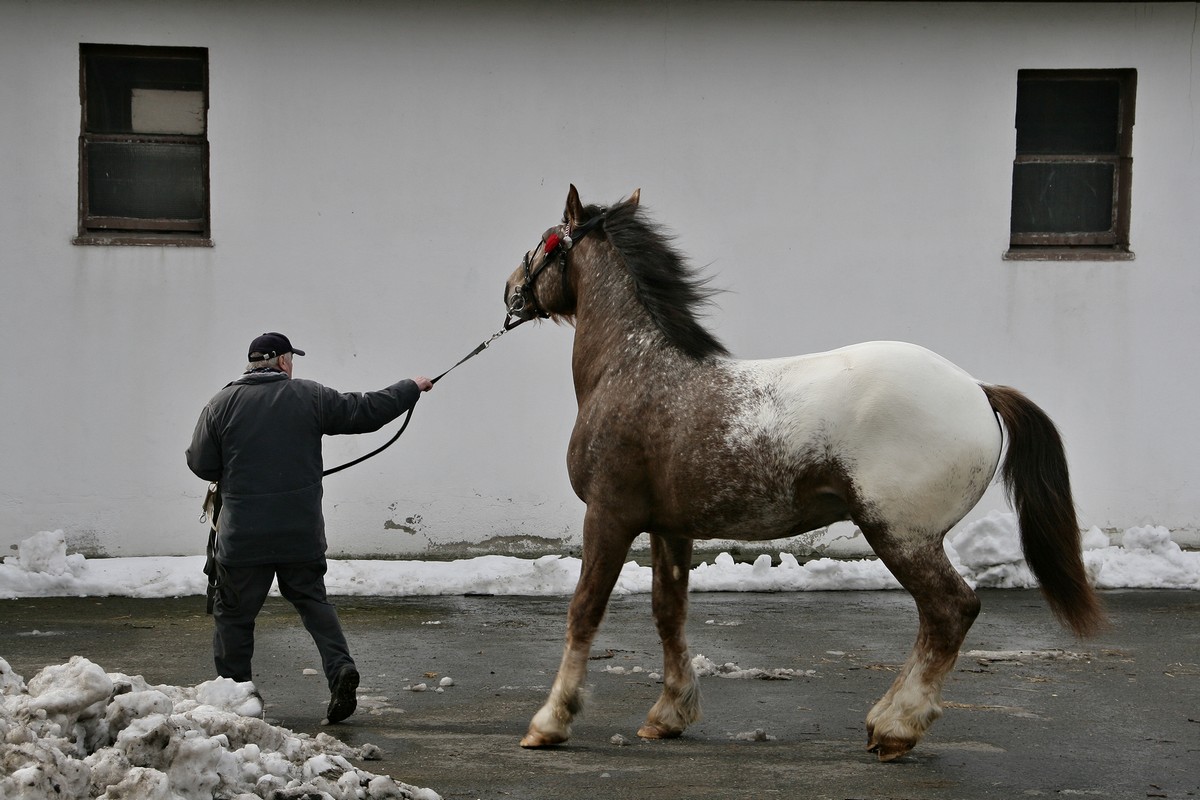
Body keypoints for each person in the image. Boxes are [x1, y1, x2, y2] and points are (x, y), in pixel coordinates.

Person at [186, 332, 433, 724]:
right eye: (291, 359)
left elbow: (200, 463)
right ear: (282, 361)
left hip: (243, 537)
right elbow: (366, 410)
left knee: (233, 616)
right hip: (299, 533)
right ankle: (340, 670)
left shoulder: (220, 404)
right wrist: (409, 388)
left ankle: (236, 697)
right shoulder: (310, 396)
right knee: (313, 601)